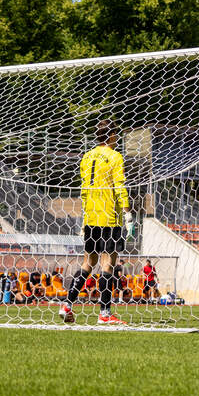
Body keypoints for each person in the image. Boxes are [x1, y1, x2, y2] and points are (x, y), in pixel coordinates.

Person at [59, 120, 130, 326]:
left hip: (91, 217)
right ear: (112, 135)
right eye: (116, 134)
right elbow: (119, 186)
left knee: (88, 263)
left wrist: (84, 218)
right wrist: (128, 213)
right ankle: (105, 313)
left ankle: (67, 305)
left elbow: (83, 190)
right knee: (108, 264)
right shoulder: (115, 156)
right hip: (109, 217)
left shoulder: (87, 156)